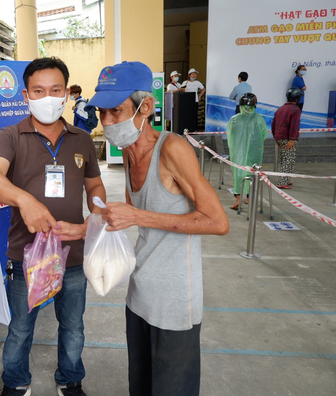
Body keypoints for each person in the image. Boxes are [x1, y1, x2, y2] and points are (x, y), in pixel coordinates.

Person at [71, 61, 229, 396]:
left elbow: (218, 221)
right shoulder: (129, 154)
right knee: (140, 387)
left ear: (145, 107)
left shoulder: (172, 149)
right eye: (102, 113)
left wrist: (137, 217)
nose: (108, 122)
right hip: (139, 294)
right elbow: (132, 216)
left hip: (174, 303)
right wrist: (93, 226)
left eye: (117, 111)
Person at [0, 57, 106, 396]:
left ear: (66, 93)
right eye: (39, 90)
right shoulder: (10, 136)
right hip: (26, 256)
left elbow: (95, 187)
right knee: (21, 328)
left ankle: (70, 380)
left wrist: (95, 217)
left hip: (73, 253)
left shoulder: (82, 139)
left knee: (73, 327)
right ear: (25, 94)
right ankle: (16, 383)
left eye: (55, 90)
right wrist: (25, 201)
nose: (47, 98)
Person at [226, 93, 268, 210]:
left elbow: (230, 136)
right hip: (254, 151)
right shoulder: (258, 118)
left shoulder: (234, 119)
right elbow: (264, 134)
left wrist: (236, 147)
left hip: (237, 152)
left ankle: (238, 200)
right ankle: (249, 198)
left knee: (238, 174)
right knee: (252, 173)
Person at [271, 88, 302, 189]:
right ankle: (283, 182)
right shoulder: (295, 110)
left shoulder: (280, 109)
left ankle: (286, 179)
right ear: (297, 98)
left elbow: (273, 124)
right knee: (289, 160)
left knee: (284, 159)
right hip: (288, 138)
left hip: (279, 137)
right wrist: (292, 139)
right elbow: (294, 125)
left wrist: (276, 138)